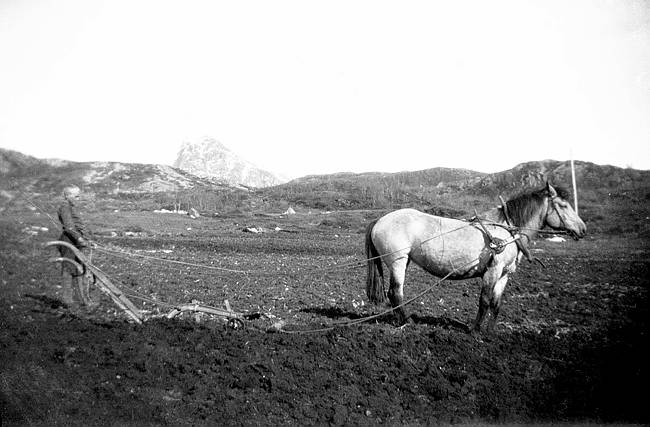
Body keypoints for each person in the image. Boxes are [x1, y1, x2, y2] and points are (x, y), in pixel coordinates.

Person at [57, 185, 95, 309]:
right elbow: (69, 227)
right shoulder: (65, 206)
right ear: (67, 196)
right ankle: (68, 301)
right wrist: (80, 239)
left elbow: (80, 225)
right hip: (69, 241)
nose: (78, 198)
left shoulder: (73, 207)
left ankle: (83, 300)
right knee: (68, 270)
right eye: (76, 196)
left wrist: (88, 239)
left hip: (78, 242)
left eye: (79, 195)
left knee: (81, 271)